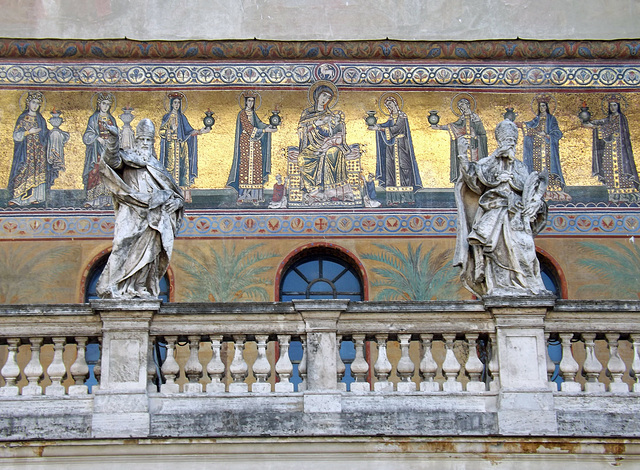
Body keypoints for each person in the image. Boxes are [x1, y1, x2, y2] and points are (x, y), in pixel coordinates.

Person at [454, 119, 549, 298]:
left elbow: (529, 188)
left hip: (517, 215)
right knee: (495, 251)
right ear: (499, 140)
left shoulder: (520, 167)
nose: (510, 143)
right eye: (506, 139)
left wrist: (531, 198)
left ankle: (528, 286)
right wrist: (462, 156)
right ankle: (499, 286)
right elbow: (473, 180)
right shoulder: (488, 163)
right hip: (495, 212)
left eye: (513, 140)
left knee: (524, 249)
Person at [96, 119, 184, 299]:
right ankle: (114, 287)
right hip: (131, 210)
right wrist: (113, 139)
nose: (145, 143)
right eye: (142, 139)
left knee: (150, 253)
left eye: (148, 140)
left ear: (153, 143)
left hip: (154, 214)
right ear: (136, 141)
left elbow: (175, 192)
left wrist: (177, 202)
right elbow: (111, 161)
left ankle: (139, 287)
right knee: (122, 245)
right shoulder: (127, 158)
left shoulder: (156, 166)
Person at [297, 83, 355, 203]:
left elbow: (335, 132)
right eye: (323, 96)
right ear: (317, 96)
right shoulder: (307, 113)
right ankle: (314, 191)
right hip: (312, 146)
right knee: (303, 158)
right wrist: (315, 124)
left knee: (333, 152)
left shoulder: (330, 115)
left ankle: (332, 191)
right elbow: (301, 130)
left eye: (328, 97)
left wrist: (335, 127)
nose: (325, 99)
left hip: (327, 144)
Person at [583, 95, 640, 203]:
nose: (613, 108)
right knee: (609, 167)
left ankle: (627, 194)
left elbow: (612, 128)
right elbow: (603, 122)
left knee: (622, 169)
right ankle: (614, 194)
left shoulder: (621, 118)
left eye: (614, 105)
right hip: (609, 148)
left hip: (620, 149)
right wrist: (590, 122)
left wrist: (596, 127)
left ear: (618, 106)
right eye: (611, 106)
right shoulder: (609, 118)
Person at [368, 94, 422, 205]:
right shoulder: (391, 118)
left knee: (405, 168)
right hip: (391, 148)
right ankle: (393, 199)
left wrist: (381, 128)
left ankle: (408, 197)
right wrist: (376, 126)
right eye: (387, 106)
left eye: (391, 104)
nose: (389, 107)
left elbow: (397, 128)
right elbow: (386, 125)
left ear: (396, 104)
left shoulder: (402, 116)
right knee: (390, 170)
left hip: (402, 146)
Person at [8, 91, 56, 206]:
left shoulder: (40, 119)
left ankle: (35, 197)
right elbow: (16, 135)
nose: (35, 105)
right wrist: (29, 132)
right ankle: (18, 197)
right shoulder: (23, 117)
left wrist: (53, 133)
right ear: (28, 103)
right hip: (25, 151)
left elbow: (45, 134)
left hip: (39, 151)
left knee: (37, 171)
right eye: (33, 102)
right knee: (23, 170)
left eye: (38, 103)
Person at [226, 92, 276, 204]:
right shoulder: (242, 114)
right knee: (245, 167)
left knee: (256, 167)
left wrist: (270, 126)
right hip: (245, 143)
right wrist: (264, 130)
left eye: (252, 101)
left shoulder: (253, 114)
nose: (250, 103)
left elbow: (259, 124)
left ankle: (254, 195)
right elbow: (248, 127)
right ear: (245, 102)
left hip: (255, 143)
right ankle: (242, 195)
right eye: (249, 100)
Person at [518, 97, 571, 201]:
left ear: (547, 107)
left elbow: (558, 133)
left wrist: (547, 135)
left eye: (543, 106)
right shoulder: (536, 119)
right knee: (537, 169)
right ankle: (536, 189)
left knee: (549, 168)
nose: (542, 108)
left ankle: (552, 190)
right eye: (540, 106)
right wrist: (521, 124)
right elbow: (529, 127)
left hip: (548, 148)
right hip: (537, 150)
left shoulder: (551, 119)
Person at [159, 92, 208, 202]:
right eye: (175, 102)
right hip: (170, 147)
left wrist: (201, 131)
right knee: (170, 169)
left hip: (182, 147)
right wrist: (171, 130)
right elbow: (161, 132)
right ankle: (169, 195)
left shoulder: (182, 117)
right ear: (171, 104)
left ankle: (184, 196)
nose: (177, 105)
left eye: (179, 103)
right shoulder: (167, 117)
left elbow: (189, 131)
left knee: (183, 170)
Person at [431, 95, 488, 182]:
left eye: (462, 106)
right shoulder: (461, 119)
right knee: (463, 165)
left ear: (468, 105)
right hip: (463, 146)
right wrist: (440, 127)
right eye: (460, 107)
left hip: (474, 147)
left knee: (474, 166)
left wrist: (476, 137)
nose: (461, 108)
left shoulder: (475, 119)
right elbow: (454, 127)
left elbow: (482, 134)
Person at [82, 92, 118, 208]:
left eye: (108, 104)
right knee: (95, 171)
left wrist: (112, 139)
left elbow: (115, 133)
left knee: (108, 173)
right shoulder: (94, 118)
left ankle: (107, 199)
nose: (105, 106)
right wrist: (97, 138)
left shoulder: (111, 119)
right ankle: (93, 200)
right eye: (103, 103)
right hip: (96, 150)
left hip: (109, 150)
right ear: (99, 104)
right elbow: (88, 134)